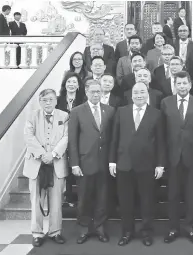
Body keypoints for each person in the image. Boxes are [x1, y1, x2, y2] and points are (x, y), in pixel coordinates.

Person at [109, 82, 165, 247]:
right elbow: (114, 138)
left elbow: (161, 142)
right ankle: (127, 232)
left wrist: (160, 164)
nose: (139, 95)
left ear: (147, 93)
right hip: (124, 164)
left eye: (142, 92)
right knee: (126, 201)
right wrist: (112, 160)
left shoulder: (157, 114)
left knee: (147, 201)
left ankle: (146, 232)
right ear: (131, 95)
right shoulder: (121, 112)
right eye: (136, 92)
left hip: (147, 166)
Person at [161, 71, 193, 245]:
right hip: (172, 157)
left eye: (184, 83)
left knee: (192, 195)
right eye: (178, 83)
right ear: (175, 85)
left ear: (190, 84)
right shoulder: (165, 102)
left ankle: (191, 228)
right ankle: (173, 228)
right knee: (172, 195)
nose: (181, 86)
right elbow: (162, 132)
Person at [68, 82, 115, 244]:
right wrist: (74, 163)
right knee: (84, 198)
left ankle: (100, 227)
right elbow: (72, 140)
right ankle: (84, 229)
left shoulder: (109, 110)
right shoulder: (76, 112)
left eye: (99, 91)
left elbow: (112, 138)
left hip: (104, 162)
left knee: (103, 198)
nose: (96, 94)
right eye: (93, 91)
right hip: (84, 162)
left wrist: (112, 161)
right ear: (86, 92)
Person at [23, 89, 69, 247]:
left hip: (57, 163)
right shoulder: (31, 116)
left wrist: (54, 153)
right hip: (36, 163)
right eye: (44, 100)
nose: (48, 103)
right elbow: (28, 137)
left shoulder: (64, 116)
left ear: (56, 101)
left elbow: (66, 137)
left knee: (56, 200)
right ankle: (37, 233)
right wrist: (43, 154)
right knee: (36, 200)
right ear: (40, 102)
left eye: (51, 99)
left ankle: (56, 231)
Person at [56, 72, 86, 207]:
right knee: (63, 168)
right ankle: (67, 196)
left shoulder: (84, 100)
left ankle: (78, 197)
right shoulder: (58, 100)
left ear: (79, 85)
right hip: (61, 138)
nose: (71, 84)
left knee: (75, 166)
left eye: (74, 82)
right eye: (69, 82)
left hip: (78, 138)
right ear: (64, 84)